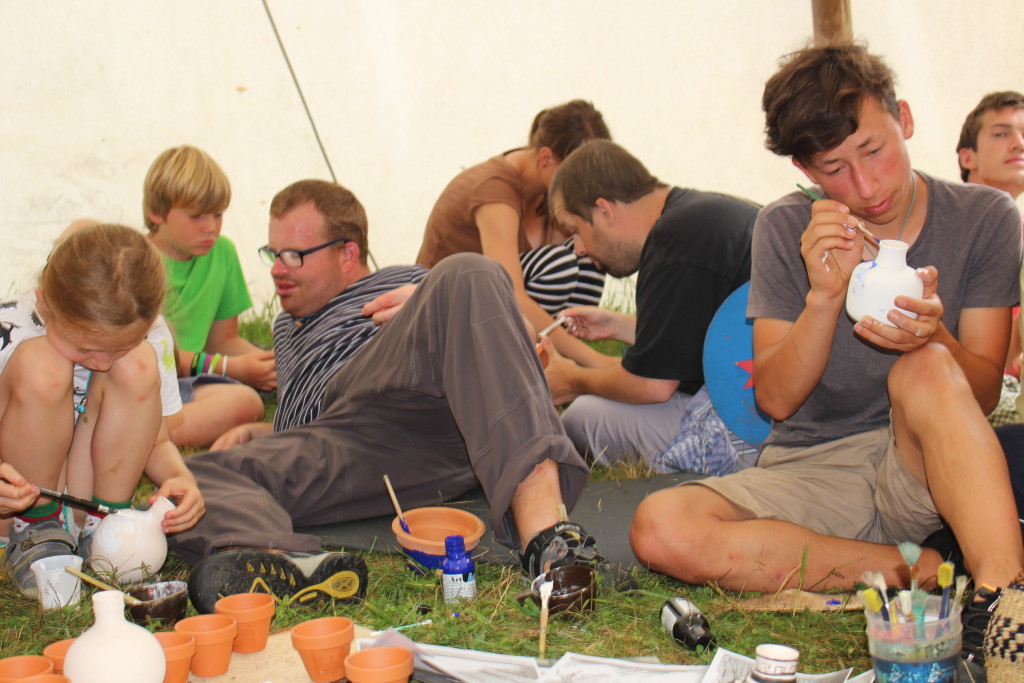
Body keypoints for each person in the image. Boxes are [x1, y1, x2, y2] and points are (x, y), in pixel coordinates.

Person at [629, 43, 1024, 670]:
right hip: (812, 467)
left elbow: (981, 396)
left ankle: (1002, 607)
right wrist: (823, 296)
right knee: (661, 526)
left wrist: (936, 339)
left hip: (923, 459)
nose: (865, 186)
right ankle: (911, 568)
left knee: (925, 366)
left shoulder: (984, 218)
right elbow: (775, 400)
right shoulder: (787, 226)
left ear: (905, 119)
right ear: (805, 169)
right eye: (834, 168)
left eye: (874, 150)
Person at [171, 179, 625, 613]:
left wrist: (434, 303)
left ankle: (553, 548)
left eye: (293, 255)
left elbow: (518, 335)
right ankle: (285, 564)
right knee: (194, 478)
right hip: (348, 446)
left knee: (469, 270)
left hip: (422, 403)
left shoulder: (408, 280)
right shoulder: (286, 327)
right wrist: (266, 430)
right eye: (273, 254)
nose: (276, 268)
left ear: (348, 253)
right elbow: (300, 422)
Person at [0, 223, 204, 599]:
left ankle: (104, 528)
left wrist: (181, 479)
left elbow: (156, 441)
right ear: (45, 303)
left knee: (138, 365)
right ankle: (35, 533)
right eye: (86, 349)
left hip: (83, 503)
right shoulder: (10, 329)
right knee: (42, 368)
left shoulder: (150, 335)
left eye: (120, 346)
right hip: (13, 510)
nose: (104, 363)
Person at [544, 140, 756, 467]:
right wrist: (621, 326)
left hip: (755, 428)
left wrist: (572, 379)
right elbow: (702, 332)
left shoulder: (672, 245)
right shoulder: (699, 215)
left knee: (582, 417)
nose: (578, 249)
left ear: (604, 211)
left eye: (576, 231)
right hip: (774, 401)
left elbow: (652, 387)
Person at [417, 100, 616, 368]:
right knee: (558, 267)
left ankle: (552, 364)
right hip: (446, 321)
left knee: (588, 255)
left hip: (491, 310)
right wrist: (596, 362)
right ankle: (537, 367)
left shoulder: (549, 194)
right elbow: (510, 295)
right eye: (576, 176)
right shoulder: (494, 190)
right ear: (546, 158)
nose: (584, 188)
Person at [143, 145, 268, 447]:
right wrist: (231, 368)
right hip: (142, 381)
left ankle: (143, 436)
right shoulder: (136, 259)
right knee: (245, 400)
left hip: (185, 382)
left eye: (218, 214)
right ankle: (142, 441)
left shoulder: (222, 252)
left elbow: (222, 340)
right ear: (156, 213)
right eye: (196, 216)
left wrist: (270, 365)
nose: (210, 227)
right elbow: (152, 356)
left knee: (247, 401)